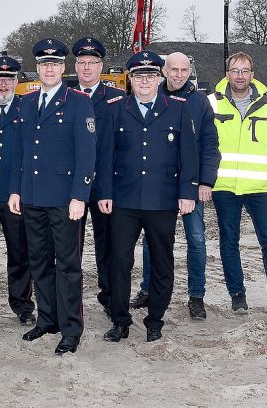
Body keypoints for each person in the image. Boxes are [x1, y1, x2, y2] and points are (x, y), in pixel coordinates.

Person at [97, 50, 199, 343]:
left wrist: (187, 193)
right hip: (124, 201)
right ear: (130, 79)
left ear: (160, 78)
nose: (145, 81)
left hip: (162, 200)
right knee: (119, 262)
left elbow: (187, 156)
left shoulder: (178, 109)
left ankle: (155, 319)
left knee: (162, 262)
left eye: (151, 75)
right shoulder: (116, 109)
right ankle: (120, 321)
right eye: (138, 76)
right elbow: (105, 156)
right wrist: (104, 191)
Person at [9, 38, 96, 355]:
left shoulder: (77, 102)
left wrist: (80, 195)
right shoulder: (27, 103)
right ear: (38, 68)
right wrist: (16, 190)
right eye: (44, 64)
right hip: (32, 197)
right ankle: (47, 319)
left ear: (63, 68)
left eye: (55, 64)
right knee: (39, 262)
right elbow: (20, 150)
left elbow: (87, 155)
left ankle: (71, 328)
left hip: (64, 200)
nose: (49, 69)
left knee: (68, 266)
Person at [208, 52, 267, 321]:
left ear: (253, 73)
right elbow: (201, 139)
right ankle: (237, 295)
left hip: (260, 186)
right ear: (227, 73)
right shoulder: (211, 104)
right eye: (235, 70)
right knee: (229, 242)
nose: (240, 75)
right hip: (224, 186)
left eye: (245, 70)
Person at [133, 52, 221, 321]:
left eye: (184, 70)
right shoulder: (150, 97)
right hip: (159, 186)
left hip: (190, 184)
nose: (179, 74)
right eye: (174, 69)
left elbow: (210, 145)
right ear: (164, 71)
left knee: (195, 239)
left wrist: (206, 181)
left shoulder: (200, 103)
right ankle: (148, 289)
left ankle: (196, 296)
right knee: (153, 240)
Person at [70, 36, 124, 318]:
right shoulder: (66, 97)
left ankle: (109, 297)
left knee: (108, 247)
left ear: (101, 66)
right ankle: (70, 301)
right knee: (70, 249)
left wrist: (111, 188)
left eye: (92, 63)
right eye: (82, 63)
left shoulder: (116, 99)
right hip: (73, 188)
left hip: (104, 186)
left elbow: (119, 147)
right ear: (75, 66)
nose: (87, 68)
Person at [0, 55, 36, 326]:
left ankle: (23, 304)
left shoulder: (28, 109)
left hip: (17, 195)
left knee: (20, 254)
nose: (3, 84)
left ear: (17, 81)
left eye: (9, 79)